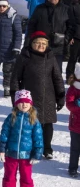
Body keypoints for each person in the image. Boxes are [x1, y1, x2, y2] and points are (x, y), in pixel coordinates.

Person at [11, 31, 65, 160]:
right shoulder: (24, 57)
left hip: (49, 97)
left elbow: (57, 78)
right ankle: (33, 148)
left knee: (47, 124)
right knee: (31, 124)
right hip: (29, 98)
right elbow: (15, 79)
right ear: (32, 43)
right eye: (37, 43)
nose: (40, 45)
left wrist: (61, 95)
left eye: (43, 43)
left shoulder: (51, 57)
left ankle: (47, 149)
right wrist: (16, 99)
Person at [0, 90, 43, 187]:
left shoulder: (34, 119)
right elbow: (4, 134)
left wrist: (37, 153)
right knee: (9, 176)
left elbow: (38, 138)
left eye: (27, 102)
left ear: (30, 104)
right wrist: (1, 149)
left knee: (27, 177)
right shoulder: (11, 117)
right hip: (11, 153)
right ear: (16, 103)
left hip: (26, 155)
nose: (24, 105)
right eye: (21, 102)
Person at [26, 0, 74, 73]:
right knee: (39, 72)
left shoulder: (66, 9)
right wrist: (30, 42)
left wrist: (65, 39)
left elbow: (71, 27)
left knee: (56, 73)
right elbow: (31, 26)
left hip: (58, 48)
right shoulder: (40, 9)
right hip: (40, 47)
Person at [66, 64, 80, 177]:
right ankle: (72, 168)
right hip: (76, 125)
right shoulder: (73, 89)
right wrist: (77, 105)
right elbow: (69, 105)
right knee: (75, 149)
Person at [67, 0, 80, 80]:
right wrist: (70, 36)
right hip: (76, 35)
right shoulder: (74, 4)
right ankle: (69, 77)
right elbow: (70, 22)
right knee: (73, 58)